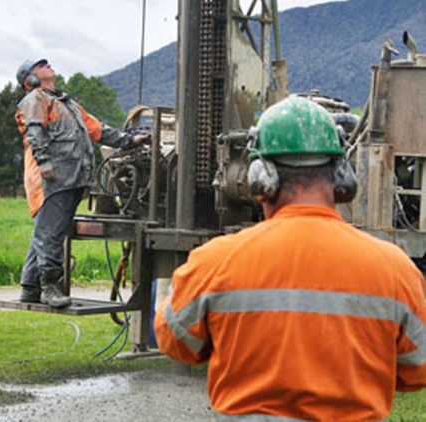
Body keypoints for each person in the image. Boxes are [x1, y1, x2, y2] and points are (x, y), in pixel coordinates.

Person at [154, 96, 426, 421]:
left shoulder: (215, 261)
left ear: (261, 179)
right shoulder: (394, 268)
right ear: (342, 176)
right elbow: (416, 372)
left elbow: (176, 342)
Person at [15, 59, 148, 308]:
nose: (48, 65)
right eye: (41, 65)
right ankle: (51, 289)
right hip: (51, 180)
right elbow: (34, 131)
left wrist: (133, 139)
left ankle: (30, 288)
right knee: (50, 235)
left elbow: (98, 131)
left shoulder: (69, 105)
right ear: (30, 79)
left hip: (71, 179)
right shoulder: (35, 99)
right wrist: (45, 164)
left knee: (46, 232)